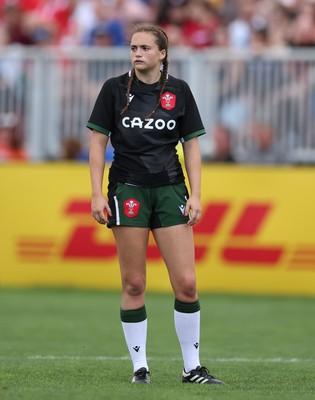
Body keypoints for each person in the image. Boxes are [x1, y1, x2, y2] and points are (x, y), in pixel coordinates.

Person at [87, 22, 223, 385]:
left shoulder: (179, 91)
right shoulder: (114, 89)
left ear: (162, 54)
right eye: (133, 48)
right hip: (127, 190)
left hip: (169, 190)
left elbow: (191, 145)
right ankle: (139, 368)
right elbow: (98, 143)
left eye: (145, 48)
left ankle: (192, 367)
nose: (137, 53)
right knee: (133, 283)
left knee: (187, 283)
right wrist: (97, 192)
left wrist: (195, 193)